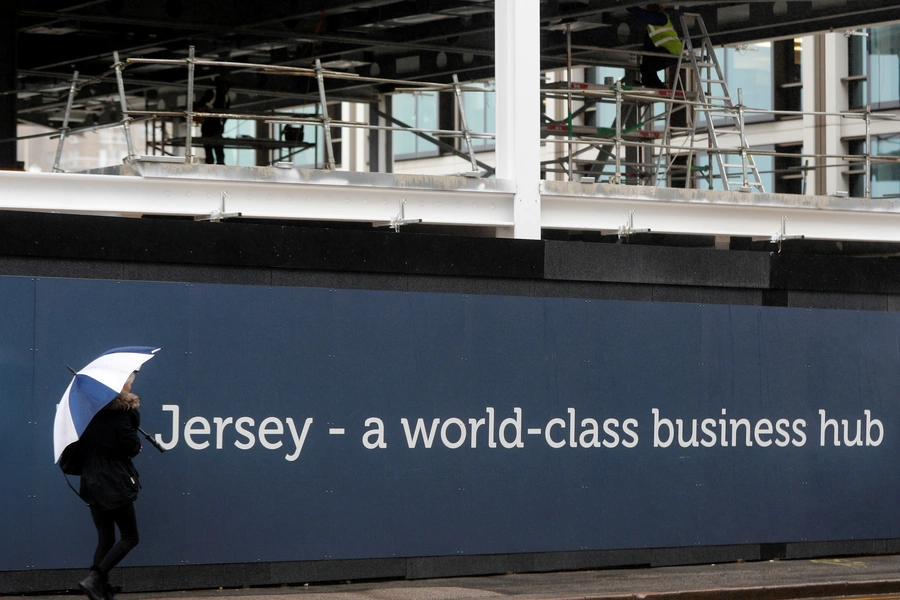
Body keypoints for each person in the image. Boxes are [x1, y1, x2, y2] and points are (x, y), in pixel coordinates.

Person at [77, 372, 143, 600]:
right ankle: (95, 579)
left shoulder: (89, 412)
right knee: (130, 537)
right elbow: (131, 447)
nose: (130, 386)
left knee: (105, 537)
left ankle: (99, 590)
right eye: (130, 383)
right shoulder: (123, 414)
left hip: (91, 482)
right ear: (123, 385)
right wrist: (137, 439)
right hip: (115, 483)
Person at [627, 4, 682, 89]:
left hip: (671, 52)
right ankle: (651, 85)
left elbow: (644, 15)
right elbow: (648, 45)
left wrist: (629, 5)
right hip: (668, 52)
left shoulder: (662, 18)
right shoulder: (651, 26)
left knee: (648, 66)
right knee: (646, 67)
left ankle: (656, 86)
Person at [199, 74, 231, 165]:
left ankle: (220, 170)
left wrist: (222, 125)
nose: (225, 87)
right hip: (207, 127)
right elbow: (200, 105)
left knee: (219, 153)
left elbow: (226, 114)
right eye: (223, 84)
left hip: (217, 128)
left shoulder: (226, 97)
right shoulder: (212, 93)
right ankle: (210, 170)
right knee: (209, 153)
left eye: (226, 85)